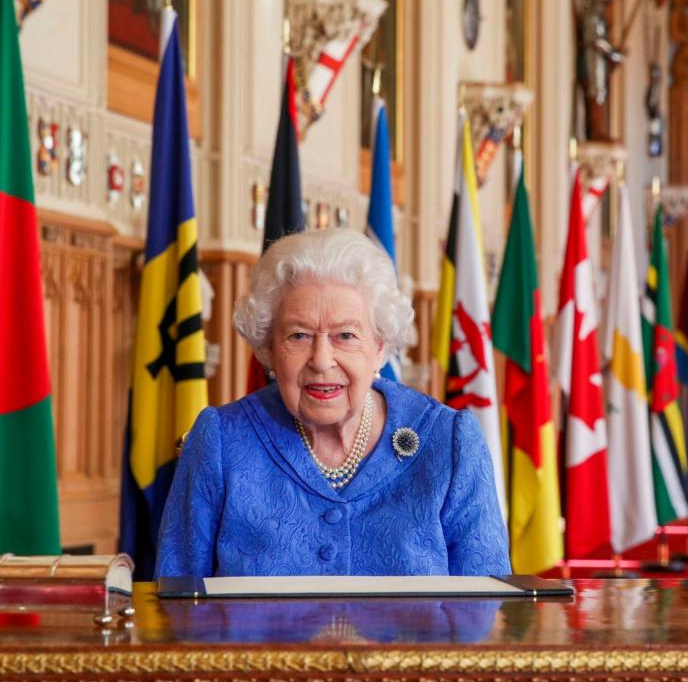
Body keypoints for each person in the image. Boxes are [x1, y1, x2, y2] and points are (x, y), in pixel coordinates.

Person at [154, 228, 510, 578]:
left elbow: (488, 613)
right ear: (269, 349)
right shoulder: (221, 442)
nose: (322, 360)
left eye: (345, 336)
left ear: (380, 346)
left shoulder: (448, 443)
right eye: (299, 335)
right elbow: (176, 605)